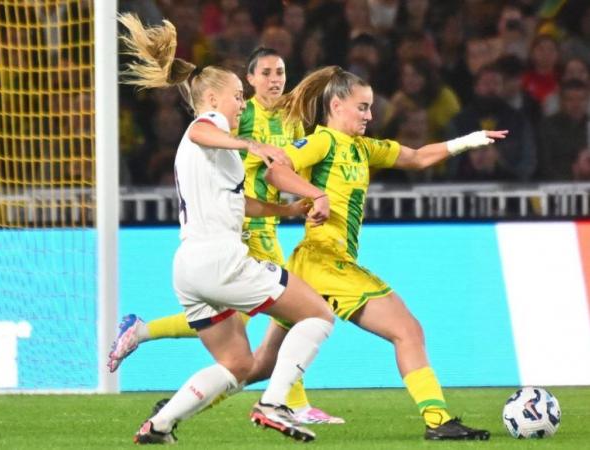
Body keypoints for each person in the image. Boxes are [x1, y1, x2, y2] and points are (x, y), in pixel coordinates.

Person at [254, 66, 506, 440]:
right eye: (363, 107)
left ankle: (178, 407)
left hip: (314, 265)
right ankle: (437, 420)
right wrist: (315, 194)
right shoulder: (323, 141)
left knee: (262, 362)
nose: (370, 116)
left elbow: (417, 158)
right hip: (325, 260)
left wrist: (469, 140)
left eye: (370, 108)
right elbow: (275, 169)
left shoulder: (364, 148)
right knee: (407, 330)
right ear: (336, 105)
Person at [117, 14, 335, 444]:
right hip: (221, 259)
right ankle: (275, 404)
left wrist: (284, 211)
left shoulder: (215, 153)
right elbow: (200, 129)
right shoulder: (209, 126)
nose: (241, 105)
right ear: (214, 97)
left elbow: (238, 203)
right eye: (237, 96)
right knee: (318, 314)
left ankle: (158, 426)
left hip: (188, 267)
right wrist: (251, 143)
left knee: (237, 364)